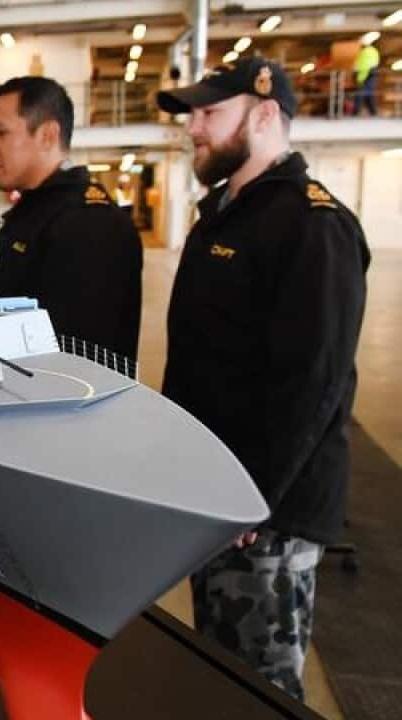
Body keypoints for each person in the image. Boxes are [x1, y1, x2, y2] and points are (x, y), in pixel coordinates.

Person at [156, 58, 370, 701]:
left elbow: (313, 382)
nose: (193, 127)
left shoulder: (313, 224)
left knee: (263, 685)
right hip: (221, 497)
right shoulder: (226, 214)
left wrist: (255, 494)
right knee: (223, 673)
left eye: (210, 113)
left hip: (268, 513)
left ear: (266, 114)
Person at [0, 76, 144, 365]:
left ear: (47, 135)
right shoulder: (35, 210)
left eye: (1, 133)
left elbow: (79, 358)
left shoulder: (90, 224)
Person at [352, 39, 380, 116]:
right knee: (368, 94)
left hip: (367, 75)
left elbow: (361, 64)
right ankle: (373, 112)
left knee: (361, 94)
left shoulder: (367, 51)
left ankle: (357, 112)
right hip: (367, 75)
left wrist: (356, 74)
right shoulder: (371, 51)